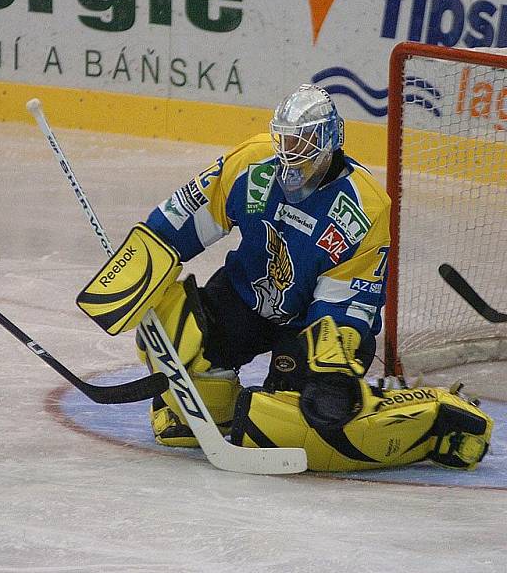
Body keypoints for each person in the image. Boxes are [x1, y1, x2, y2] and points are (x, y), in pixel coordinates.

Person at [76, 84, 492, 471]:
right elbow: (184, 219)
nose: (292, 154)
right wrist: (142, 259)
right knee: (176, 337)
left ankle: (431, 417)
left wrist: (335, 352)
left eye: (304, 143)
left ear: (329, 142)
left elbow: (349, 301)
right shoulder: (252, 164)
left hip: (311, 325)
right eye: (286, 141)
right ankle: (213, 404)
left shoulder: (363, 207)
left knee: (297, 420)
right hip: (245, 298)